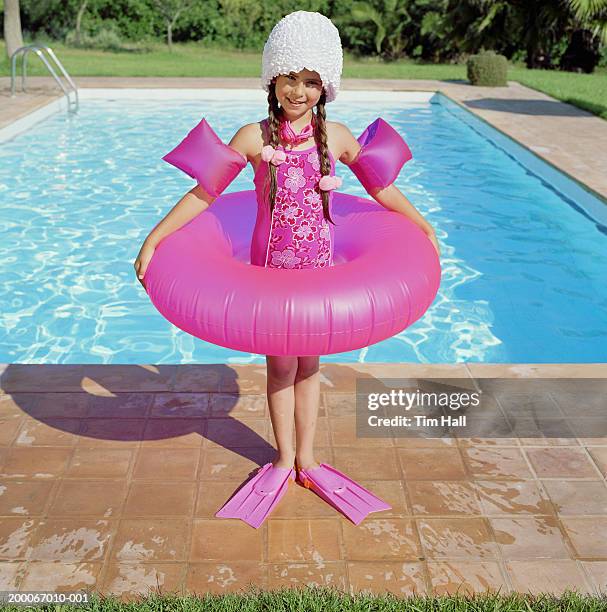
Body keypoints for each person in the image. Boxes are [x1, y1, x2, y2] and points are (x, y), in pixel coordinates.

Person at [134, 11, 439, 527]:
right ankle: (282, 458)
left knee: (310, 366)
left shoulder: (336, 136)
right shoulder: (253, 137)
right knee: (281, 367)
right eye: (290, 79)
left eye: (311, 81)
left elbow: (379, 186)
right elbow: (205, 192)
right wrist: (154, 237)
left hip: (319, 272)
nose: (299, 91)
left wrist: (421, 223)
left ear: (327, 86)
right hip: (270, 272)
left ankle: (309, 458)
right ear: (272, 80)